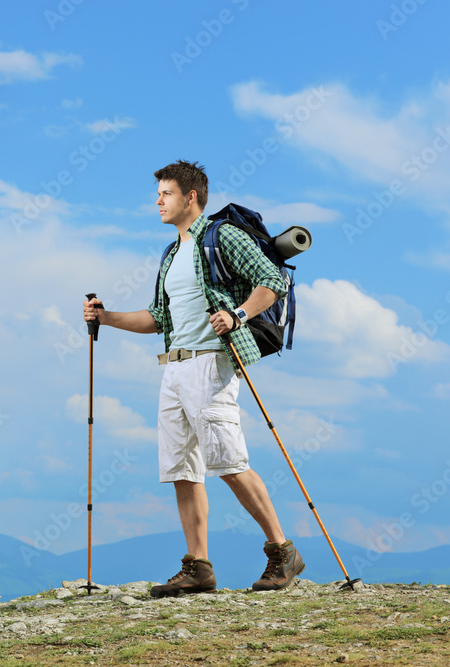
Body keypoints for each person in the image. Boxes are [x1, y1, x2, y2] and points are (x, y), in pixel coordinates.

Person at [82, 160, 304, 596]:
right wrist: (105, 318)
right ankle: (198, 566)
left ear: (191, 197)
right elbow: (158, 318)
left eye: (165, 194)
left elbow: (271, 280)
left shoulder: (223, 237)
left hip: (212, 364)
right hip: (174, 367)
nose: (158, 201)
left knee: (230, 462)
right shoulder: (170, 254)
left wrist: (237, 315)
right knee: (182, 469)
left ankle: (283, 552)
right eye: (157, 194)